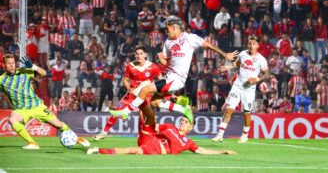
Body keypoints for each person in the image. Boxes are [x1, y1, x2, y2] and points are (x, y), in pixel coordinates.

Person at [110, 16, 238, 124]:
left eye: (168, 28)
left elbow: (208, 44)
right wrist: (162, 60)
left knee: (144, 90)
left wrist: (225, 54)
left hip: (176, 78)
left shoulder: (189, 38)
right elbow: (168, 63)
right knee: (155, 102)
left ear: (175, 27)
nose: (166, 31)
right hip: (169, 76)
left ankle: (125, 113)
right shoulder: (168, 43)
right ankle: (184, 109)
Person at [0, 54, 90, 149]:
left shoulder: (24, 72)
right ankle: (33, 143)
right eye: (9, 63)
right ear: (4, 65)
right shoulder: (1, 80)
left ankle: (77, 138)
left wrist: (32, 66)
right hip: (22, 109)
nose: (12, 65)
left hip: (37, 105)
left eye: (13, 63)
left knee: (58, 124)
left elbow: (43, 73)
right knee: (12, 119)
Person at [212, 36, 269, 143]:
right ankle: (220, 135)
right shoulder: (243, 54)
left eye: (253, 44)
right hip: (237, 85)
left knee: (247, 113)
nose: (251, 45)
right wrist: (227, 67)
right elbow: (238, 63)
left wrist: (257, 79)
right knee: (229, 109)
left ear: (257, 45)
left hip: (249, 89)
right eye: (249, 43)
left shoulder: (261, 59)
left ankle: (245, 136)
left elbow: (267, 75)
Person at [87, 115, 236, 155]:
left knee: (133, 150)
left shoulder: (188, 142)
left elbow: (203, 151)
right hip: (150, 138)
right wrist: (148, 122)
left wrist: (222, 151)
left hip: (155, 150)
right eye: (182, 120)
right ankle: (134, 107)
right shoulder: (170, 127)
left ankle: (98, 151)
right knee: (147, 118)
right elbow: (154, 126)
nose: (182, 123)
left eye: (186, 122)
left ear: (190, 127)